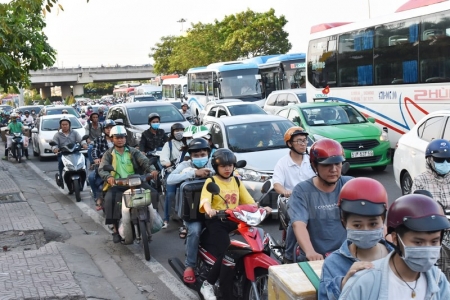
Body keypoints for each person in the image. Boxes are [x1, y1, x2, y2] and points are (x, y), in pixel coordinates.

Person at [339, 193, 450, 300]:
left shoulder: (438, 280)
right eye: (418, 242)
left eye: (434, 242)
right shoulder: (364, 282)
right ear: (396, 239)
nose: (427, 249)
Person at [199, 148, 271, 300]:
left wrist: (261, 208)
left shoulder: (237, 181)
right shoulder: (211, 182)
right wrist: (209, 209)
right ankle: (208, 284)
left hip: (237, 220)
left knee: (259, 242)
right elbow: (205, 200)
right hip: (218, 221)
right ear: (216, 167)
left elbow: (249, 202)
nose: (227, 169)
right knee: (228, 255)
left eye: (230, 165)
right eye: (223, 166)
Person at [319, 177, 393, 300]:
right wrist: (344, 285)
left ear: (383, 220)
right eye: (357, 225)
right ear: (344, 222)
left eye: (373, 224)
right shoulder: (333, 264)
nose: (366, 230)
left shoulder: (396, 258)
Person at [288, 138, 353, 262]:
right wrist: (310, 251)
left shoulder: (350, 184)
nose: (333, 169)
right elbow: (299, 224)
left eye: (337, 163)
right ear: (314, 166)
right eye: (327, 165)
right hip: (316, 258)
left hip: (347, 255)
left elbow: (373, 216)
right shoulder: (302, 191)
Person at [98, 125, 158, 243]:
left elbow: (145, 161)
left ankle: (153, 218)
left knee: (154, 193)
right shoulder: (108, 154)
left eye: (122, 137)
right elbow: (102, 169)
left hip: (136, 181)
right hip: (118, 184)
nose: (120, 139)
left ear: (126, 138)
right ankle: (115, 230)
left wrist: (152, 170)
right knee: (110, 200)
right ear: (111, 139)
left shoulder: (133, 151)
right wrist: (109, 177)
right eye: (117, 137)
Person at [166, 138, 213, 284]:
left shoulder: (214, 163)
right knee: (195, 230)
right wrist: (193, 173)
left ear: (208, 153)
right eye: (196, 155)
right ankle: (190, 265)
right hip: (192, 211)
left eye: (203, 154)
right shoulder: (185, 165)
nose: (200, 157)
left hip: (212, 208)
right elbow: (170, 179)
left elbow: (230, 173)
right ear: (191, 156)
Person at [273, 126, 316, 262]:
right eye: (299, 141)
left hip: (314, 198)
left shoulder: (312, 160)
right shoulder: (282, 163)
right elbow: (277, 184)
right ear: (289, 144)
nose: (303, 144)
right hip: (294, 200)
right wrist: (285, 191)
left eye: (305, 140)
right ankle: (289, 255)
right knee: (295, 221)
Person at [160, 123, 188, 228]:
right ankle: (166, 219)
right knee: (170, 194)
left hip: (186, 173)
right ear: (172, 132)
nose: (179, 132)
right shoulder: (169, 144)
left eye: (181, 130)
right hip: (172, 172)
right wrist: (168, 164)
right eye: (176, 130)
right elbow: (163, 157)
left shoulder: (188, 142)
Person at [51, 115, 88, 192]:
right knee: (61, 163)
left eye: (66, 124)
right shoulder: (57, 135)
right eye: (63, 125)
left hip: (75, 152)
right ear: (60, 125)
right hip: (63, 154)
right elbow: (54, 144)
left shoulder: (74, 132)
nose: (65, 126)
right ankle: (61, 179)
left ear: (69, 125)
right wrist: (55, 149)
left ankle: (85, 177)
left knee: (84, 159)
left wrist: (84, 144)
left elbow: (81, 140)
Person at [411, 139, 450, 208]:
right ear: (429, 160)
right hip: (433, 217)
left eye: (449, 159)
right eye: (439, 159)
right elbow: (416, 207)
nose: (445, 163)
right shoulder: (420, 180)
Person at [88, 119, 115, 211]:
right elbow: (94, 150)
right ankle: (98, 198)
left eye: (111, 127)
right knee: (91, 178)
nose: (109, 129)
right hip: (103, 166)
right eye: (107, 128)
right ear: (104, 129)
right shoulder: (99, 139)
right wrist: (96, 159)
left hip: (118, 165)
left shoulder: (118, 138)